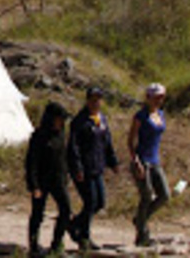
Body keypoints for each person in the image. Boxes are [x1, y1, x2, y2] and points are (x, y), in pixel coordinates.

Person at [67, 86, 118, 248]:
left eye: (98, 100)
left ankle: (74, 223)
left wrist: (113, 162)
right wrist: (77, 168)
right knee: (90, 202)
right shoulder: (80, 121)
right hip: (84, 168)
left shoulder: (101, 119)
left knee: (100, 202)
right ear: (87, 100)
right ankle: (84, 238)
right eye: (93, 100)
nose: (96, 103)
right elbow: (73, 147)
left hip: (97, 166)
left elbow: (107, 142)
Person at [25, 101, 72, 257]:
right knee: (38, 214)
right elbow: (31, 162)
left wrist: (66, 176)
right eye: (59, 118)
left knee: (66, 210)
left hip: (58, 180)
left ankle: (56, 244)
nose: (62, 122)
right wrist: (34, 185)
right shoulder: (39, 136)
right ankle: (33, 246)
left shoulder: (61, 134)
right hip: (41, 181)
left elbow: (64, 158)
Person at [129, 82, 169, 247]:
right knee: (146, 195)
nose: (159, 100)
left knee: (164, 195)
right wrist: (136, 161)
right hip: (142, 160)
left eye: (161, 97)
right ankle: (142, 234)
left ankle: (140, 219)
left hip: (155, 160)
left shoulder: (160, 114)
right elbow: (131, 140)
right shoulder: (140, 116)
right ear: (149, 97)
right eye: (156, 97)